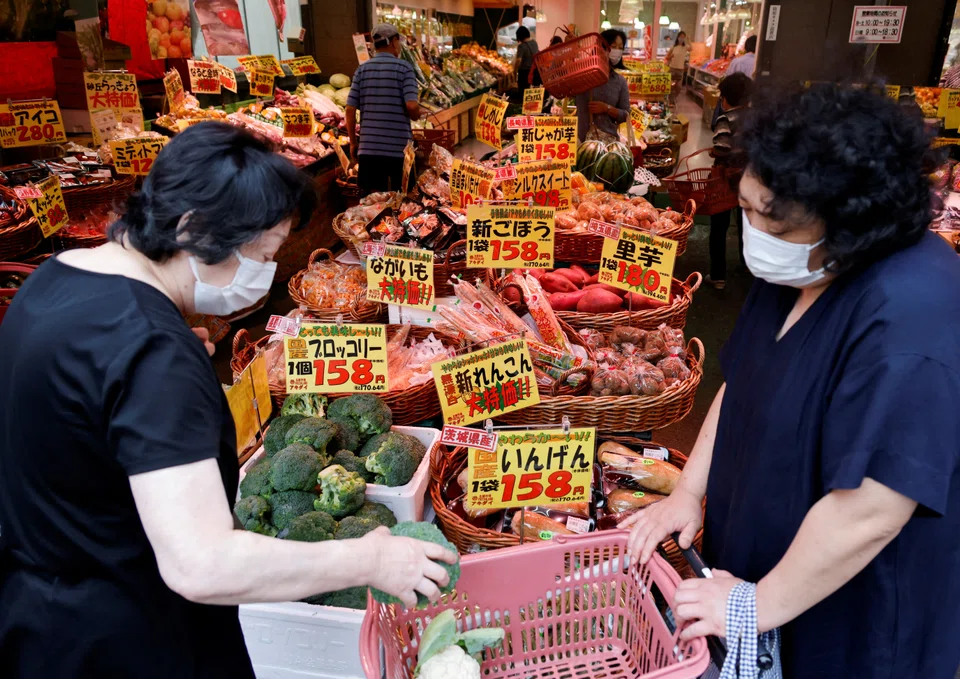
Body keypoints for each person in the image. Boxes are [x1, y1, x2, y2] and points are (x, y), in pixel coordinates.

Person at [0, 123, 457, 678]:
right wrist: (371, 557)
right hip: (130, 641)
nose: (264, 276)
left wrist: (158, 349)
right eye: (261, 254)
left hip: (40, 619)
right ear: (192, 228)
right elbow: (201, 563)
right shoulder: (151, 353)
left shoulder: (55, 280)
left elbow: (73, 415)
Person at [623, 83, 960, 678]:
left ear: (845, 223)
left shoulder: (911, 316)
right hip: (764, 566)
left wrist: (759, 605)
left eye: (764, 216)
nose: (749, 229)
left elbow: (874, 508)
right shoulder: (800, 265)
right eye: (747, 206)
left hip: (851, 602)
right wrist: (687, 492)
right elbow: (741, 384)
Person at [345, 23, 421, 195]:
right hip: (398, 152)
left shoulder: (361, 70)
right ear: (394, 41)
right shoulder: (404, 69)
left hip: (368, 151)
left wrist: (353, 142)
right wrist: (417, 114)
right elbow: (412, 106)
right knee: (402, 205)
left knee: (369, 207)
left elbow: (350, 110)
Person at [706, 72, 753, 290]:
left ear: (724, 99)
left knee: (719, 227)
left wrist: (713, 153)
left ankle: (717, 276)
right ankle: (747, 265)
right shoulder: (755, 118)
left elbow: (721, 148)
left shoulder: (725, 119)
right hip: (750, 180)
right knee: (747, 225)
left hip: (725, 180)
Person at [575, 29, 629, 143]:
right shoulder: (582, 76)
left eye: (620, 48)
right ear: (601, 47)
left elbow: (626, 115)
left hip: (609, 143)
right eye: (613, 46)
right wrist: (569, 48)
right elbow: (561, 85)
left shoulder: (620, 81)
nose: (617, 51)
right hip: (582, 141)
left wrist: (607, 108)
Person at [514, 25, 540, 97]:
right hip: (534, 72)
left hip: (524, 74)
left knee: (523, 94)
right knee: (531, 94)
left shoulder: (521, 46)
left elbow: (518, 60)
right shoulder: (534, 43)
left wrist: (514, 71)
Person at [667, 30, 690, 104]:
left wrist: (689, 40)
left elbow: (692, 48)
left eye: (683, 37)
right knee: (671, 86)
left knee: (679, 87)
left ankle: (674, 98)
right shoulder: (674, 47)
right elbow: (667, 57)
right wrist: (670, 56)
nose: (682, 38)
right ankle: (670, 100)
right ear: (678, 37)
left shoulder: (685, 47)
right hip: (672, 69)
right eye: (681, 37)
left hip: (680, 70)